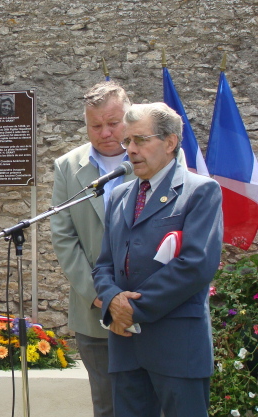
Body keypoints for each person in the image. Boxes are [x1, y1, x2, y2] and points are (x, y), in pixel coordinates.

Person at [92, 102, 223, 417]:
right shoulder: (120, 196)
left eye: (140, 140)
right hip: (126, 347)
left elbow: (195, 264)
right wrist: (111, 299)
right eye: (128, 142)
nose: (131, 150)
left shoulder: (200, 192)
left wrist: (130, 309)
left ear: (169, 142)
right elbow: (104, 264)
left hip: (177, 347)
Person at [50, 81, 134, 417]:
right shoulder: (68, 167)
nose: (105, 132)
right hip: (94, 311)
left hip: (149, 307)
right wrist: (101, 296)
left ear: (129, 117)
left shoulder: (154, 160)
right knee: (107, 405)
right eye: (95, 125)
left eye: (113, 123)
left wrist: (133, 300)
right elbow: (64, 238)